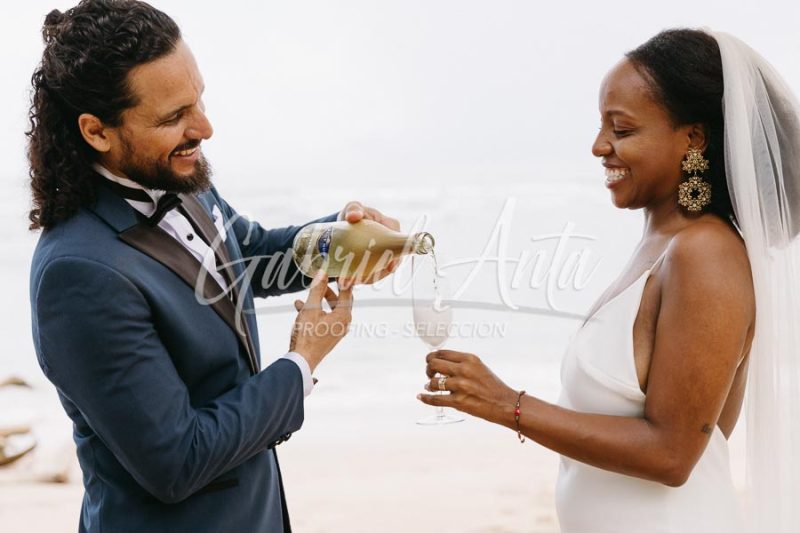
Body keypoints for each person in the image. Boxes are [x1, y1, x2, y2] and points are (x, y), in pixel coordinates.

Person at [27, 1, 398, 532]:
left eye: (198, 99)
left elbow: (246, 255)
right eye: (174, 117)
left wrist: (341, 239)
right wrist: (301, 362)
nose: (205, 127)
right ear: (97, 132)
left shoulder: (181, 177)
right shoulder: (78, 275)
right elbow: (177, 461)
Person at [419, 28, 800, 533]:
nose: (599, 147)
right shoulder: (661, 246)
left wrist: (509, 405)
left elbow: (676, 454)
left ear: (693, 138)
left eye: (621, 130)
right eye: (602, 126)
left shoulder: (706, 253)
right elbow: (704, 428)